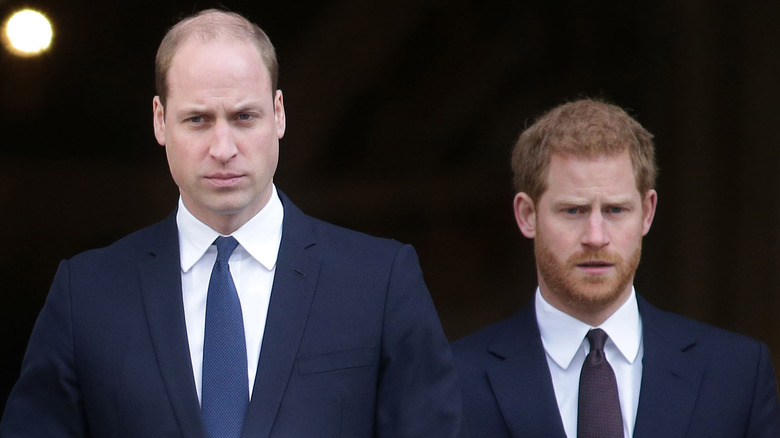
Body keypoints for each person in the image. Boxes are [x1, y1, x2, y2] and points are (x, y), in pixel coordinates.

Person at [0, 9, 466, 437]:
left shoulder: (379, 280)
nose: (223, 147)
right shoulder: (86, 293)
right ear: (160, 121)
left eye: (244, 117)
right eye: (198, 119)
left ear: (279, 114)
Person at [452, 99, 780, 438]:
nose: (596, 237)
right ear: (527, 215)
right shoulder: (452, 378)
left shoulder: (736, 374)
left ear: (647, 212)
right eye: (573, 211)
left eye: (615, 210)